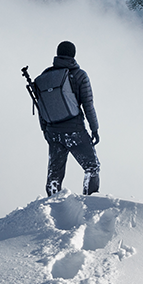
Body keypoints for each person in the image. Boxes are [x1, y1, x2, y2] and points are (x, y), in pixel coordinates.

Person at [39, 41, 100, 196]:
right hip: (74, 130)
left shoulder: (46, 76)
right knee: (91, 167)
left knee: (55, 174)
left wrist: (45, 131)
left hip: (53, 132)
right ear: (73, 54)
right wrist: (94, 128)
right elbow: (88, 104)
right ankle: (90, 202)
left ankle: (51, 204)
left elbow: (41, 106)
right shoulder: (79, 75)